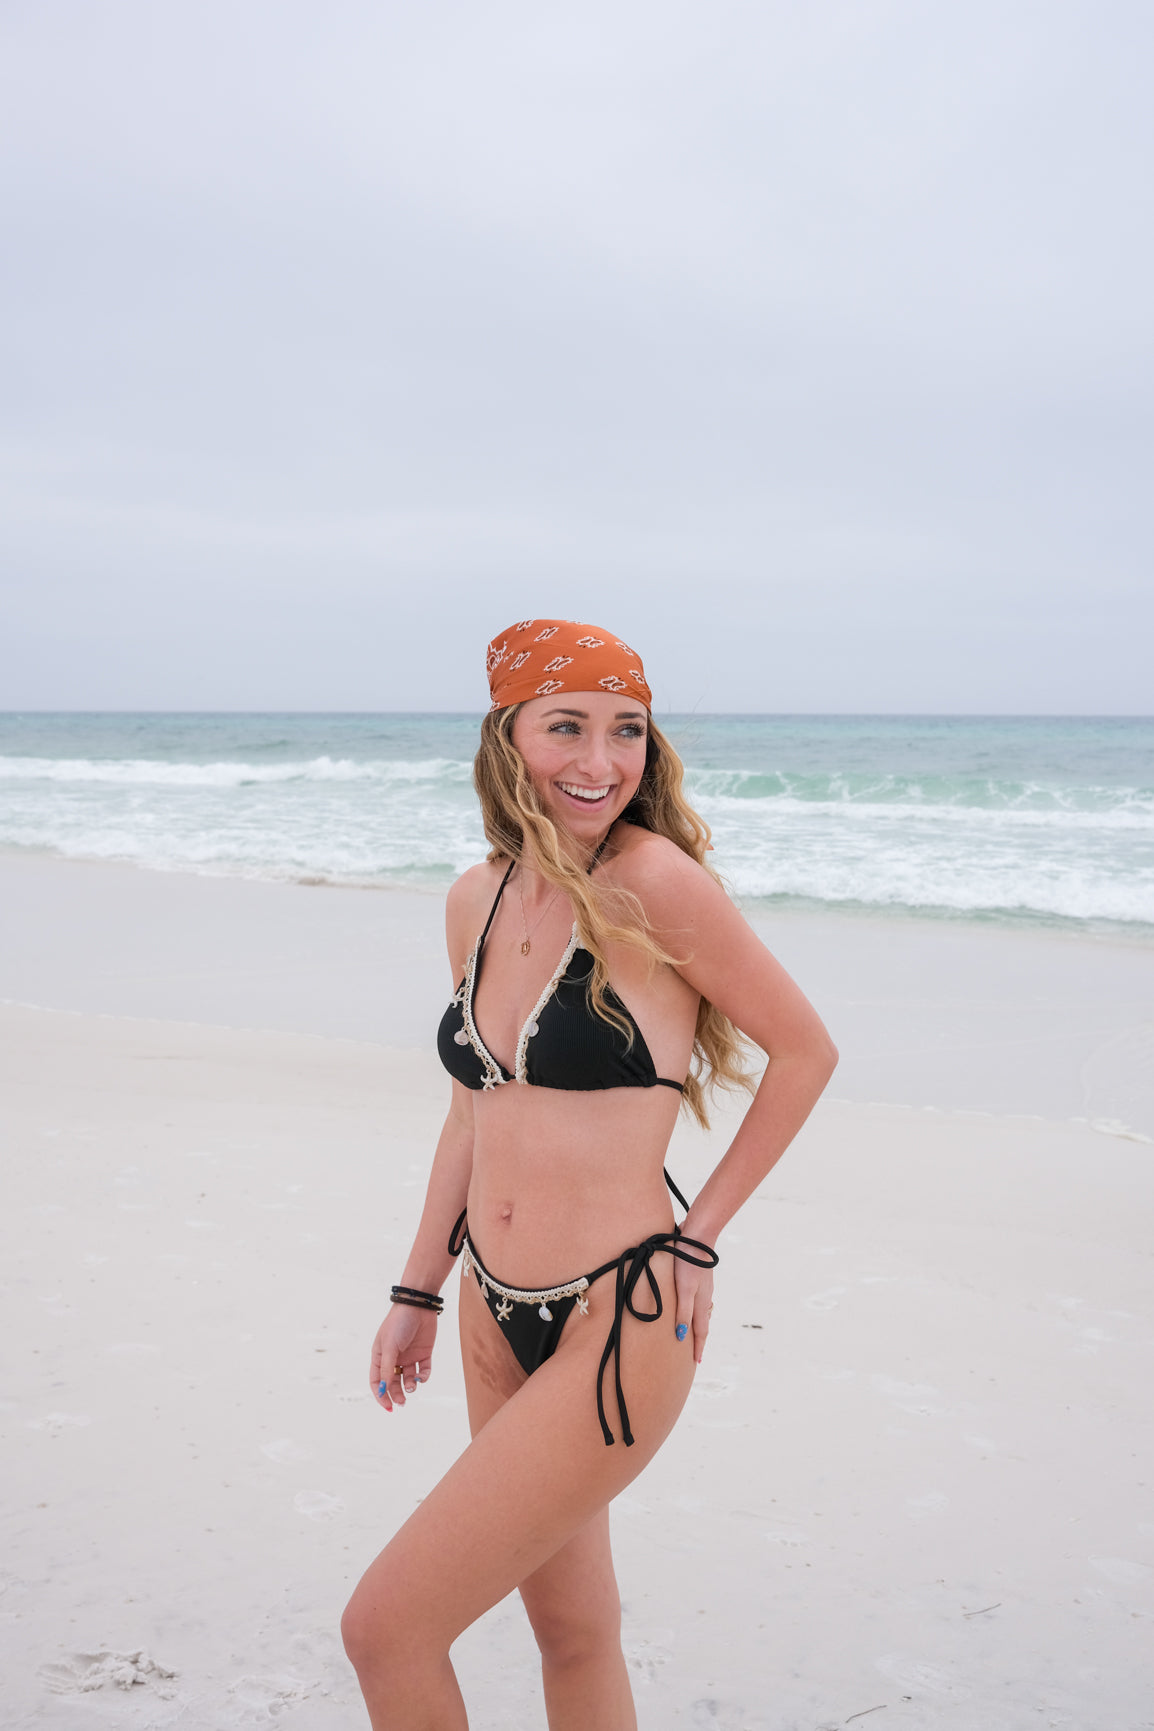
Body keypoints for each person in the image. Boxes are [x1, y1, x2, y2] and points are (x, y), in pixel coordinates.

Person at [342, 619, 837, 1730]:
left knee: (385, 1630)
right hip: (488, 1308)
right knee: (571, 1635)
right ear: (506, 737)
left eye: (625, 731)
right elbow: (476, 1105)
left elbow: (805, 1053)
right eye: (565, 726)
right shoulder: (476, 897)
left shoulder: (654, 883)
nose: (598, 761)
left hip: (616, 1320)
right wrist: (417, 1290)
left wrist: (699, 1234)